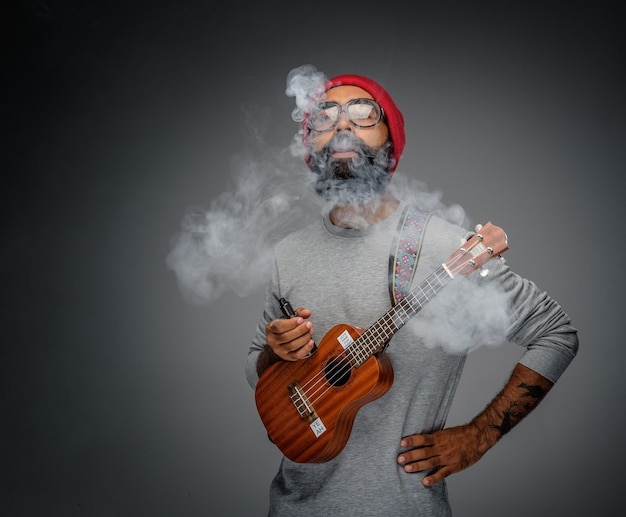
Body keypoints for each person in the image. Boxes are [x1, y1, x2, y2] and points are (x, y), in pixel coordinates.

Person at [245, 68, 578, 516]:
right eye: (324, 116)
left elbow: (556, 333)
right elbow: (257, 369)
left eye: (363, 113)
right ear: (310, 148)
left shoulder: (448, 249)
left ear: (389, 143)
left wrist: (480, 436)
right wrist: (273, 354)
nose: (342, 123)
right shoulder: (289, 254)